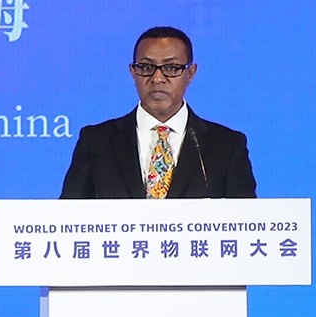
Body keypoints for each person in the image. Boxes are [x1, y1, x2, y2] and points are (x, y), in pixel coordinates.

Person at [60, 26, 257, 199]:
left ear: (190, 73)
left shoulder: (227, 146)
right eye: (146, 67)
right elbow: (68, 217)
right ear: (133, 72)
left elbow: (246, 220)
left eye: (171, 68)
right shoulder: (96, 141)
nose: (157, 78)